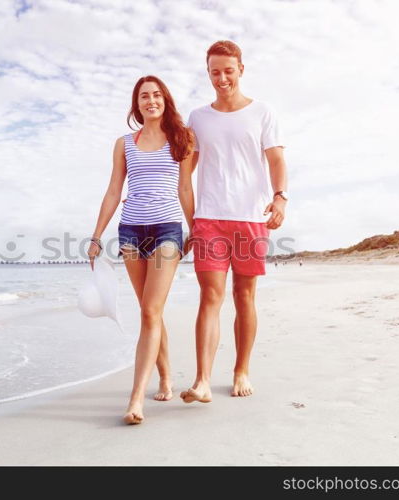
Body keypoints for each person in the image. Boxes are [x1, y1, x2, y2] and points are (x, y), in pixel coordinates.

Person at [178, 40, 288, 403]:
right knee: (209, 296)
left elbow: (275, 160)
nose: (222, 78)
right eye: (215, 72)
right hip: (209, 217)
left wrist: (280, 197)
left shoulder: (262, 112)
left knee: (244, 295)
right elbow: (185, 173)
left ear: (241, 68)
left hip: (249, 218)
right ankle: (203, 381)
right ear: (207, 73)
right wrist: (190, 221)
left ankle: (241, 370)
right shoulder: (198, 117)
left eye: (228, 70)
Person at [88, 75, 193, 424]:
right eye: (144, 96)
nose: (151, 101)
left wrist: (195, 228)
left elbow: (185, 189)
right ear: (137, 104)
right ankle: (165, 375)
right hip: (131, 231)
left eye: (157, 95)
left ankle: (136, 399)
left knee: (150, 310)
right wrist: (96, 234)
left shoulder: (182, 138)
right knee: (151, 311)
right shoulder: (124, 144)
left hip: (166, 229)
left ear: (166, 100)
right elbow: (113, 190)